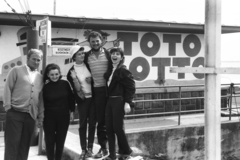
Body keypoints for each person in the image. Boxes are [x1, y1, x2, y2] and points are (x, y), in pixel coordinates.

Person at [3, 49, 44, 160]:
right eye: (34, 59)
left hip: (31, 115)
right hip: (15, 112)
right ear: (28, 58)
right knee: (12, 143)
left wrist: (40, 117)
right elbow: (7, 88)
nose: (36, 62)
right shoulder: (16, 70)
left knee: (25, 144)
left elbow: (40, 99)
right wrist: (8, 107)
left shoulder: (40, 77)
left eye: (38, 60)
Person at [104, 47, 136, 160]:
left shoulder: (123, 70)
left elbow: (131, 87)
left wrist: (128, 102)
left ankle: (127, 151)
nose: (114, 55)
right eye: (113, 53)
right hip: (109, 101)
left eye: (117, 54)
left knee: (117, 127)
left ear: (121, 57)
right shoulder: (110, 69)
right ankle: (112, 155)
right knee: (109, 128)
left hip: (119, 100)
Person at [84, 31, 112, 158]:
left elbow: (115, 68)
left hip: (107, 91)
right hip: (94, 92)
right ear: (89, 42)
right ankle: (98, 148)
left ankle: (108, 148)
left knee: (107, 120)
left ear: (101, 41)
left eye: (97, 41)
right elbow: (79, 69)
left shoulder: (108, 54)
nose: (95, 43)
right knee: (97, 120)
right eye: (92, 41)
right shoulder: (86, 56)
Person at [67, 45, 96, 159]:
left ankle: (90, 149)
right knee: (82, 124)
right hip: (82, 100)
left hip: (93, 98)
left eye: (83, 53)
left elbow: (98, 78)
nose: (82, 55)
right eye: (79, 54)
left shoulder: (89, 66)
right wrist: (74, 79)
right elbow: (76, 90)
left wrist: (93, 79)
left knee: (93, 124)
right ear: (74, 57)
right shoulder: (71, 71)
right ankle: (83, 149)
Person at [42, 63, 75, 160]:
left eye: (56, 74)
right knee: (50, 141)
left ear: (60, 73)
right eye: (52, 75)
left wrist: (72, 111)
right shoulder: (45, 87)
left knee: (60, 141)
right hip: (49, 117)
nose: (54, 76)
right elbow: (41, 102)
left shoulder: (65, 84)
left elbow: (71, 98)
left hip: (63, 116)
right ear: (48, 75)